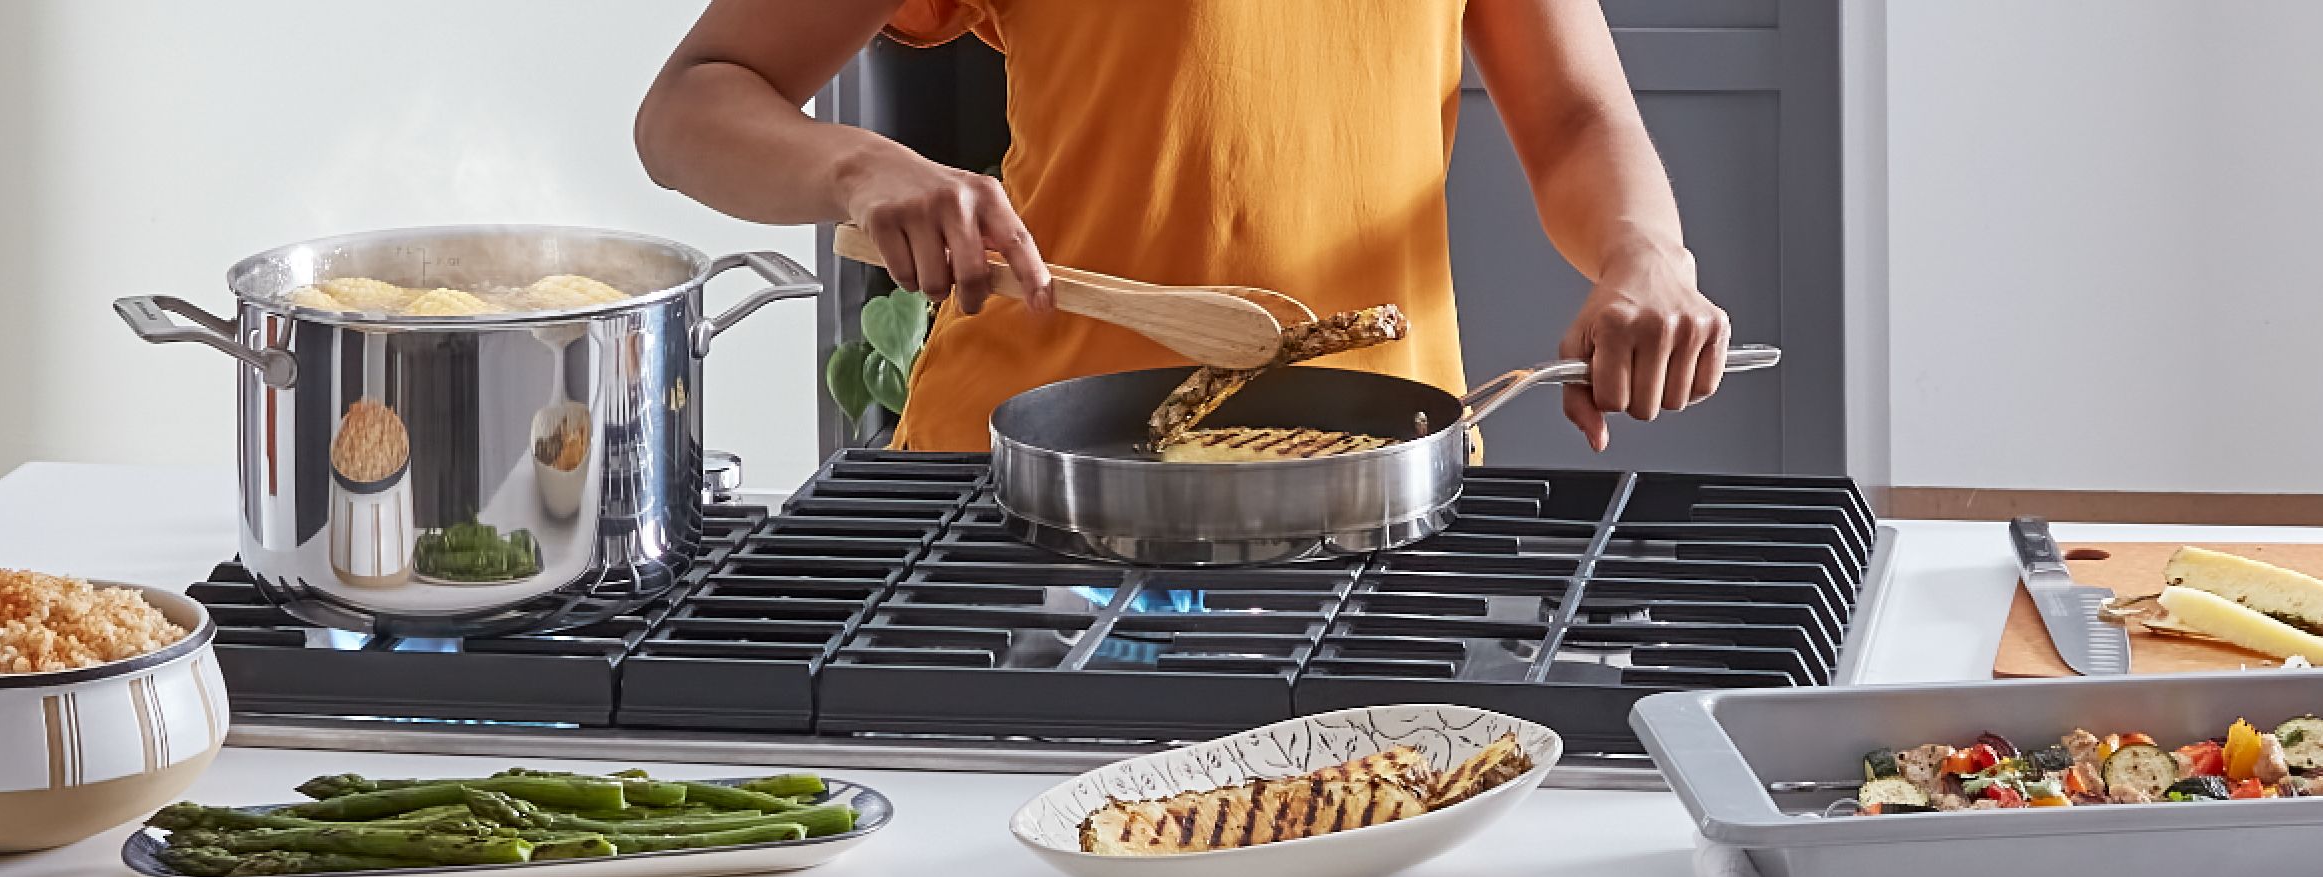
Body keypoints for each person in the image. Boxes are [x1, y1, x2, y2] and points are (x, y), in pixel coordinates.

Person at [637, 0, 1734, 453]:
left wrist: (1645, 252)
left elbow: (1579, 117)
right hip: (1030, 479)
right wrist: (861, 166)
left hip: (1367, 475)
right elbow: (690, 104)